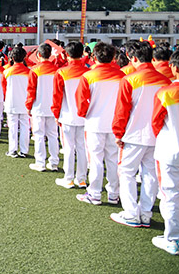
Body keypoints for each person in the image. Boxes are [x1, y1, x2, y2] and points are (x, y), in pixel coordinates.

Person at [111, 41, 171, 228]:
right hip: (157, 135)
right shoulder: (165, 80)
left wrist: (118, 133)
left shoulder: (129, 79)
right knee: (150, 175)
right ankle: (145, 213)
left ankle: (131, 214)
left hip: (133, 135)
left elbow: (122, 110)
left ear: (133, 58)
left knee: (126, 173)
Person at [74, 41, 125, 206]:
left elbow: (81, 102)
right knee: (113, 159)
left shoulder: (88, 76)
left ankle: (95, 193)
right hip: (115, 124)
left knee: (95, 159)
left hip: (95, 123)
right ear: (113, 57)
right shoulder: (122, 76)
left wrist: (84, 114)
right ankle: (114, 194)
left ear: (94, 57)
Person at [149, 50, 179, 255]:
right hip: (170, 149)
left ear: (174, 68)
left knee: (170, 195)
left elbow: (156, 122)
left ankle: (173, 238)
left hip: (170, 149)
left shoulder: (165, 92)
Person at [51, 41, 90, 189]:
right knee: (82, 147)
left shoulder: (62, 72)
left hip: (67, 115)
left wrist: (56, 113)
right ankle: (81, 179)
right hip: (85, 116)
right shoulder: (88, 72)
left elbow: (57, 96)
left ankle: (68, 178)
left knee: (69, 148)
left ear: (67, 55)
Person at [26, 43, 60, 172]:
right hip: (53, 107)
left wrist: (28, 105)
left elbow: (31, 90)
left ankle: (40, 162)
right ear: (50, 54)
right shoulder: (57, 70)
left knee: (39, 135)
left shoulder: (35, 70)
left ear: (39, 55)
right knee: (53, 135)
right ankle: (54, 162)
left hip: (38, 106)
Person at [3, 46, 31, 157]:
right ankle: (24, 150)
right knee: (25, 126)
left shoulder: (6, 71)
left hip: (11, 101)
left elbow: (4, 88)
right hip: (25, 102)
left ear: (12, 58)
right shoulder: (29, 72)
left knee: (12, 126)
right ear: (24, 57)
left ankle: (12, 150)